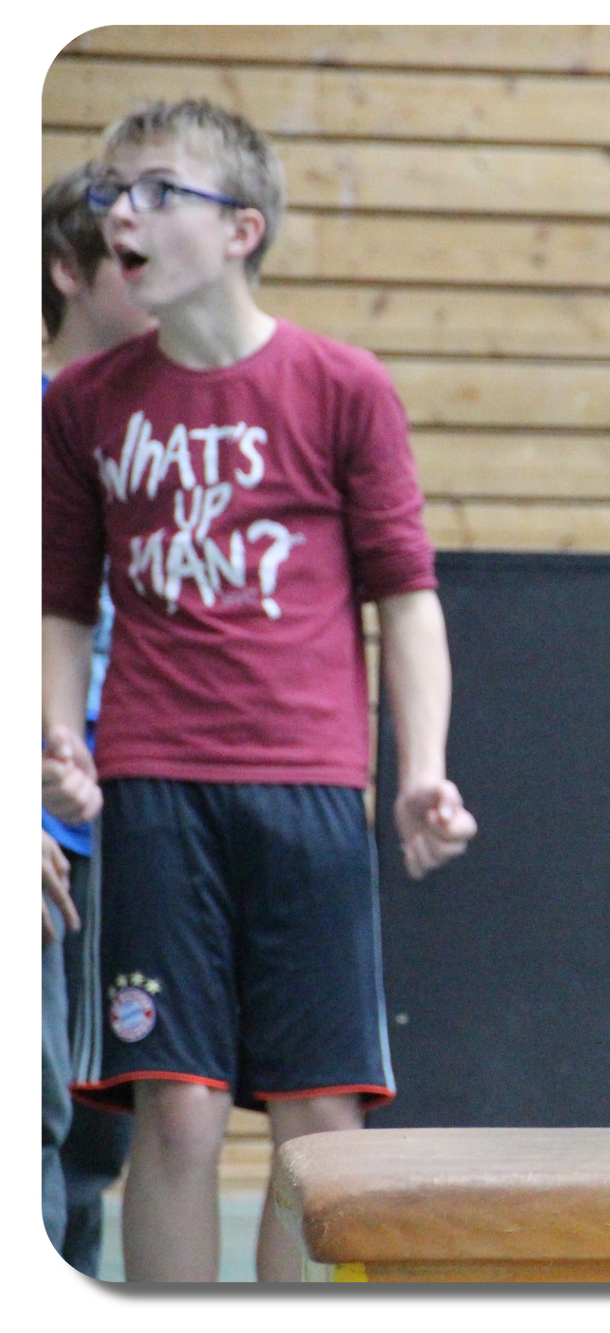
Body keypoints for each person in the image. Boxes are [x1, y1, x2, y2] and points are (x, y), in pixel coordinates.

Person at [41, 99, 479, 1282]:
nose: (121, 215)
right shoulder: (86, 406)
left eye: (156, 191)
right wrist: (59, 738)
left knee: (317, 1124)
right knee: (176, 1107)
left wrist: (422, 771)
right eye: (111, 194)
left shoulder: (342, 387)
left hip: (309, 790)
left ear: (241, 229)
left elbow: (407, 597)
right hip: (154, 790)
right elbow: (63, 603)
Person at [40, 163, 156, 1273]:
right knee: (45, 1121)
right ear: (66, 273)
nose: (152, 276)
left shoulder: (165, 426)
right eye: (125, 260)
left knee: (101, 1130)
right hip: (47, 820)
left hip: (136, 817)